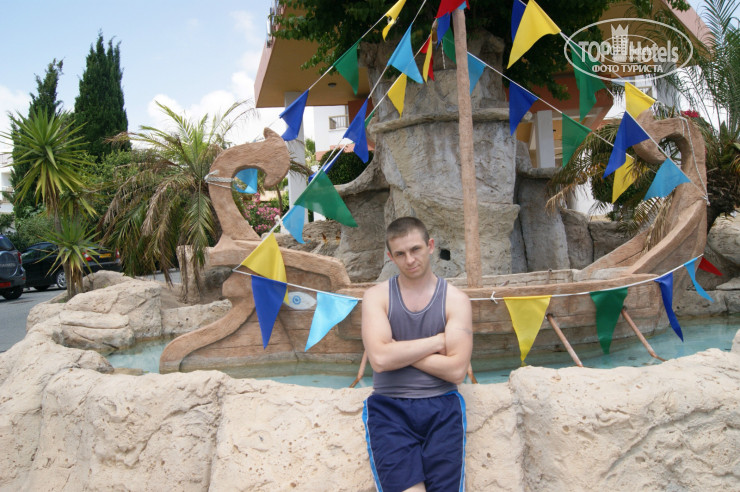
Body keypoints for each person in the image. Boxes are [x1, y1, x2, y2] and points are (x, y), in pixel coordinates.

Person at [361, 216, 473, 492]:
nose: (409, 259)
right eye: (400, 254)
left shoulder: (456, 300)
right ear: (391, 257)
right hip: (389, 408)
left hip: (443, 407)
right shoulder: (376, 297)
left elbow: (456, 371)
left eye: (415, 249)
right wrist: (437, 341)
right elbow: (380, 360)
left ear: (430, 246)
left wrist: (397, 348)